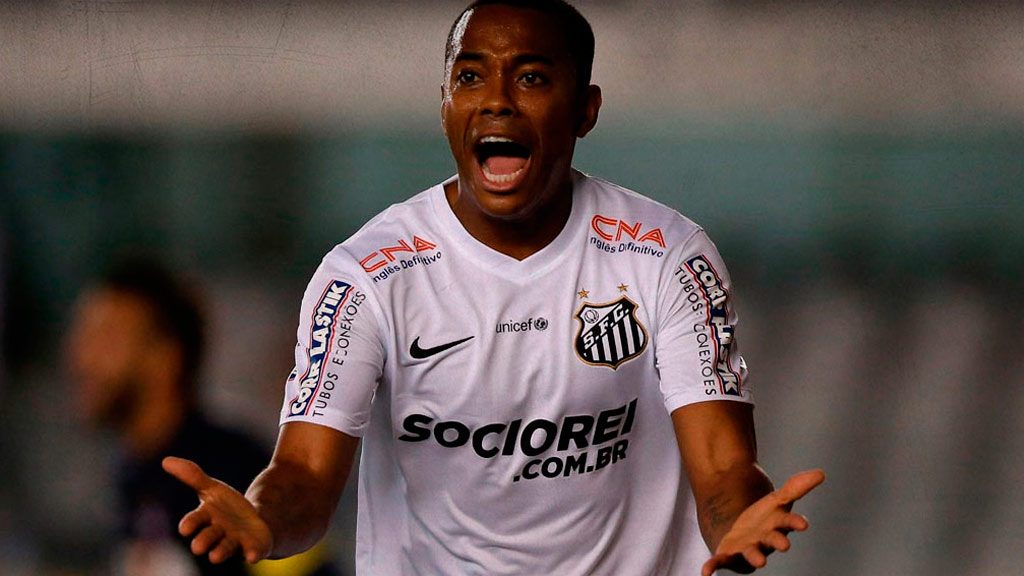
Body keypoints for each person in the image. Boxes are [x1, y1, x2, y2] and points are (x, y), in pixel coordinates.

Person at [163, 1, 825, 574]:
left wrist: (739, 522)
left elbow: (721, 469)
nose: (498, 99)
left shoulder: (666, 257)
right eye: (471, 76)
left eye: (531, 77)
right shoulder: (366, 275)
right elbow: (306, 474)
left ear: (585, 109)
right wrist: (264, 519)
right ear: (445, 105)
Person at [67, 258, 338, 576]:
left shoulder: (237, 467)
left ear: (166, 358)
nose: (81, 357)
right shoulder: (130, 471)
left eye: (106, 339)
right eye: (82, 337)